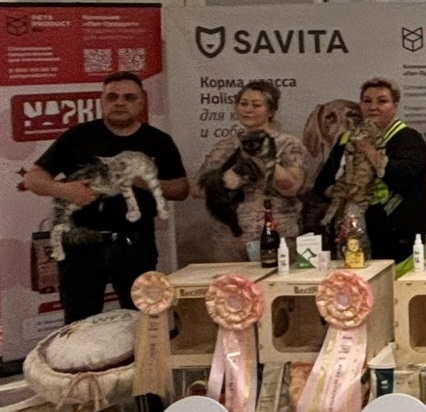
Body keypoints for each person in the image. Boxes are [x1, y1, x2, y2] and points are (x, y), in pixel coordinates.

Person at [22, 71, 188, 324]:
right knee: (79, 323)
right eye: (112, 97)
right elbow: (32, 179)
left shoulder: (158, 141)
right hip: (80, 246)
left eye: (128, 97)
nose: (119, 103)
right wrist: (65, 190)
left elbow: (180, 190)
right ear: (102, 100)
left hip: (134, 244)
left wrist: (139, 180)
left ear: (141, 102)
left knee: (144, 322)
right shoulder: (77, 137)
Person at [314, 77, 426, 262]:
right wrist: (344, 194)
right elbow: (321, 184)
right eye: (367, 101)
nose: (373, 107)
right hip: (356, 237)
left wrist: (369, 150)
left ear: (395, 106)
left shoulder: (408, 138)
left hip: (402, 241)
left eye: (382, 101)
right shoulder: (346, 139)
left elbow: (404, 177)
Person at [194, 81, 306, 261]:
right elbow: (196, 190)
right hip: (231, 242)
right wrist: (222, 183)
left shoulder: (288, 144)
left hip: (277, 238)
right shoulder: (224, 146)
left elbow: (290, 188)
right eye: (243, 103)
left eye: (256, 105)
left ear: (271, 110)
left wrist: (264, 157)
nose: (248, 110)